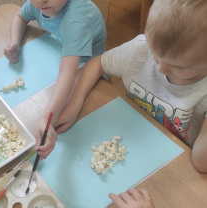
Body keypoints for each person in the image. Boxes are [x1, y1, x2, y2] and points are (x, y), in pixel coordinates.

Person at [55, 0, 207, 173]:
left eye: (179, 66)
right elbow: (97, 64)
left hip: (171, 164)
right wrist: (74, 104)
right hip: (130, 136)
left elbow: (201, 163)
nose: (161, 68)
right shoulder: (140, 49)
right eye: (155, 54)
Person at [4, 0, 107, 160]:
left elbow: (67, 71)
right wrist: (15, 42)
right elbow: (20, 17)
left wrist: (46, 117)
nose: (42, 1)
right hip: (62, 59)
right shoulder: (38, 3)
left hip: (91, 73)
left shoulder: (76, 19)